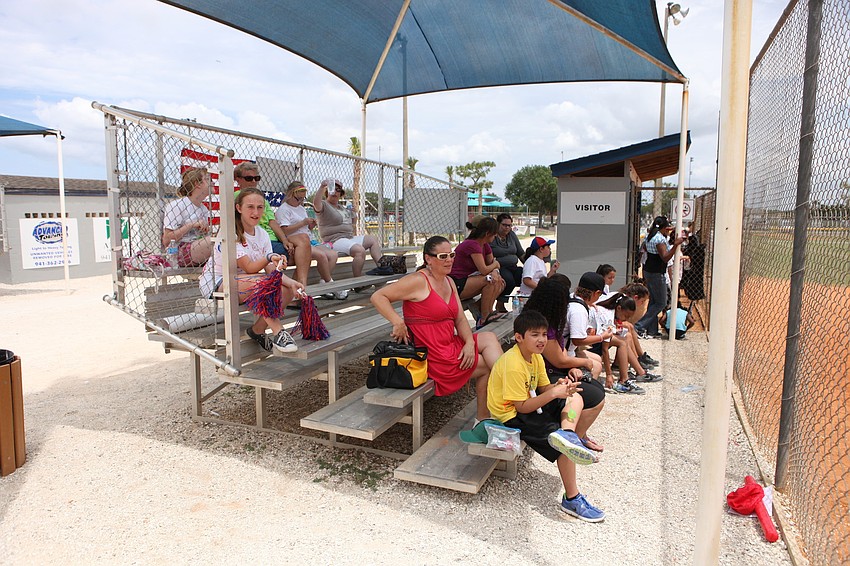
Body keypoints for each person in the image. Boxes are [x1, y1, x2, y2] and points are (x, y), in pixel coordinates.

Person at [484, 309, 605, 522]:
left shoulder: (534, 356)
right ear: (519, 337)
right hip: (511, 415)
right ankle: (572, 499)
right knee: (562, 449)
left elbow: (542, 387)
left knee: (575, 396)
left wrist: (559, 387)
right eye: (535, 335)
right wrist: (553, 394)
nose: (541, 340)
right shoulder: (513, 364)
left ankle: (568, 434)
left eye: (543, 335)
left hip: (529, 404)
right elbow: (521, 407)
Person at [370, 236, 504, 422]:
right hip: (434, 354)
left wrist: (467, 343)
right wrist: (397, 322)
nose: (449, 259)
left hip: (449, 343)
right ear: (428, 259)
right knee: (485, 365)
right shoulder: (418, 281)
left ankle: (509, 391)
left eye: (451, 255)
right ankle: (491, 414)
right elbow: (378, 296)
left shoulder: (449, 281)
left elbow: (459, 318)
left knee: (489, 336)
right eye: (443, 256)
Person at [199, 187, 302, 354]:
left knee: (286, 290)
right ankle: (279, 332)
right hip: (218, 282)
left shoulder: (262, 234)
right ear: (239, 208)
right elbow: (249, 267)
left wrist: (291, 283)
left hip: (247, 281)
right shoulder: (230, 232)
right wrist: (270, 256)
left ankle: (257, 330)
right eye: (250, 207)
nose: (256, 212)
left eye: (260, 207)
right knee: (263, 284)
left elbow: (270, 270)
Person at [522, 274, 606, 449]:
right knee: (595, 396)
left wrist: (574, 365)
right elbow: (559, 360)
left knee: (595, 388)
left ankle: (575, 436)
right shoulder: (541, 326)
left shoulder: (547, 321)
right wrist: (582, 363)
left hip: (551, 373)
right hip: (543, 379)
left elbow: (560, 358)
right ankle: (574, 438)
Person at [275, 180, 342, 294]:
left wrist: (310, 225)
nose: (300, 201)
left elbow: (306, 229)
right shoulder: (284, 209)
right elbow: (284, 230)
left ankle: (324, 283)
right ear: (290, 195)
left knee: (333, 254)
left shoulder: (301, 208)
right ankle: (330, 283)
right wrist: (302, 223)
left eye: (303, 199)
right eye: (298, 199)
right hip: (296, 240)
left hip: (308, 239)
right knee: (322, 256)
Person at [313, 178, 383, 279]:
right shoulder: (324, 205)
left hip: (348, 237)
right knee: (360, 250)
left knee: (372, 239)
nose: (335, 192)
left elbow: (353, 223)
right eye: (333, 189)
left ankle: (382, 267)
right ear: (328, 191)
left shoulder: (342, 208)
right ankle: (357, 281)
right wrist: (322, 187)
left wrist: (354, 214)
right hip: (335, 240)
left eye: (338, 190)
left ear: (341, 193)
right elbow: (316, 204)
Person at [592, 293, 662, 393]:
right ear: (619, 308)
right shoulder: (607, 316)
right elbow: (604, 348)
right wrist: (608, 374)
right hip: (592, 344)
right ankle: (624, 379)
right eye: (626, 315)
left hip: (596, 338)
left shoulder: (612, 311)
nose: (626, 319)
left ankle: (639, 372)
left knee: (626, 337)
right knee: (622, 342)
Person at [449, 216, 506, 328]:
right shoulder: (472, 244)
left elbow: (491, 264)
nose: (495, 237)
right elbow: (484, 269)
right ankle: (484, 317)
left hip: (468, 280)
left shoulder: (485, 245)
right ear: (487, 233)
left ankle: (486, 310)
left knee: (500, 282)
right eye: (494, 234)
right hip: (456, 283)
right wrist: (495, 265)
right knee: (489, 281)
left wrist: (495, 270)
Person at [636, 216, 685, 338]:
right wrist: (675, 245)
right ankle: (639, 326)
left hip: (649, 271)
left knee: (653, 301)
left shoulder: (650, 236)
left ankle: (652, 330)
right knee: (661, 303)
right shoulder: (659, 239)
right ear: (664, 228)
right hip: (657, 273)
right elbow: (665, 257)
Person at [162, 167, 214, 267]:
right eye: (208, 180)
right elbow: (167, 240)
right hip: (179, 252)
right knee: (219, 240)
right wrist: (191, 225)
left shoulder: (204, 209)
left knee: (224, 239)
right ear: (197, 184)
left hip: (197, 248)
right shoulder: (177, 205)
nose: (213, 183)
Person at [617, 282, 659, 370]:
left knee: (629, 327)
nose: (642, 304)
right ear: (635, 297)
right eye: (642, 301)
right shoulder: (622, 301)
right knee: (628, 328)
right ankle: (636, 360)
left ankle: (640, 356)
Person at [490, 213, 524, 310]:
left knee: (525, 276)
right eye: (504, 225)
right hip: (499, 267)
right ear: (498, 224)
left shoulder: (512, 235)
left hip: (513, 266)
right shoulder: (492, 237)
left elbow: (520, 252)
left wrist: (529, 265)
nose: (507, 228)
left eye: (509, 225)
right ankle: (500, 303)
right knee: (509, 280)